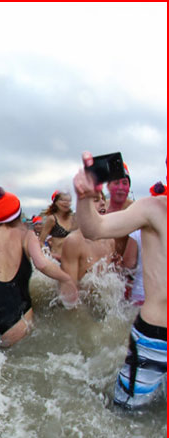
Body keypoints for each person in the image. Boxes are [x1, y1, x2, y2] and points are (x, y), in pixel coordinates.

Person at [74, 152, 166, 409]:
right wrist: (84, 198)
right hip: (154, 340)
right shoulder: (153, 208)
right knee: (126, 416)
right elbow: (94, 229)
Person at [0, 186, 77, 347]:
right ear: (17, 214)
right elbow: (42, 264)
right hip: (17, 316)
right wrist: (66, 278)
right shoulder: (27, 236)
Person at [59, 193, 120, 285]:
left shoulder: (110, 240)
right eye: (96, 200)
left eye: (103, 199)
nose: (103, 203)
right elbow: (69, 288)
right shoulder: (73, 241)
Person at [38, 191, 77, 261]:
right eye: (62, 200)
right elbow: (41, 242)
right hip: (57, 259)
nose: (66, 202)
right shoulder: (52, 219)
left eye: (68, 200)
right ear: (55, 202)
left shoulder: (73, 218)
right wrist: (50, 255)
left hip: (72, 259)